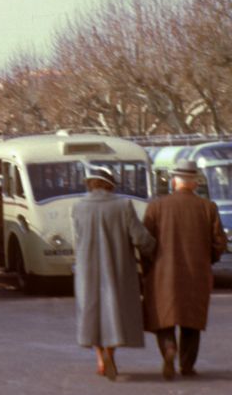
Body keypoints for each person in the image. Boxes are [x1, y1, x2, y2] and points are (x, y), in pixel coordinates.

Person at [142, 160, 228, 379]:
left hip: (163, 272)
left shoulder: (156, 207)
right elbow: (220, 242)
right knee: (192, 321)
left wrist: (149, 265)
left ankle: (169, 348)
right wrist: (207, 260)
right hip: (196, 273)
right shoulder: (208, 207)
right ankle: (187, 365)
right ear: (195, 183)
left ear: (173, 182)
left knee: (164, 317)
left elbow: (145, 241)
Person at [71, 165, 156, 381]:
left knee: (92, 313)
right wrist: (153, 249)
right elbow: (140, 238)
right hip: (118, 268)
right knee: (115, 312)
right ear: (110, 184)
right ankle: (110, 354)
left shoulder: (78, 207)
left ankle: (100, 358)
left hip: (87, 270)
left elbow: (76, 240)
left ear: (90, 184)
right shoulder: (123, 205)